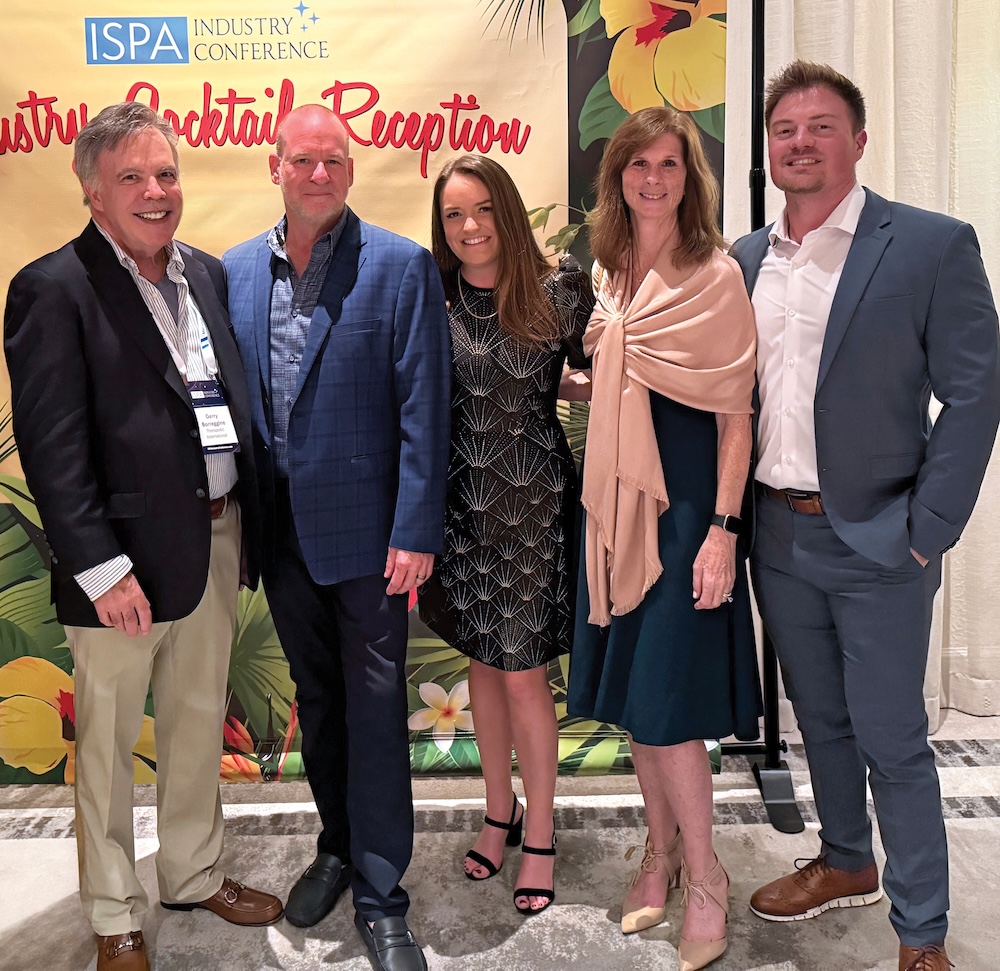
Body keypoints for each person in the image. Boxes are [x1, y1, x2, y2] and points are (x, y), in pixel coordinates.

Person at [730, 61, 1000, 971]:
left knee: (893, 737)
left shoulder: (927, 245)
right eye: (784, 130)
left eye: (820, 126)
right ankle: (847, 858)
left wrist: (930, 527)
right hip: (778, 534)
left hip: (883, 538)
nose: (799, 143)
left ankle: (922, 932)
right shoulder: (746, 259)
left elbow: (975, 393)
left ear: (858, 140)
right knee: (820, 718)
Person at [3, 102, 283, 971]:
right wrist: (101, 567)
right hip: (119, 566)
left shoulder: (205, 274)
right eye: (131, 177)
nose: (155, 191)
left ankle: (193, 872)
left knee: (198, 723)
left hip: (214, 541)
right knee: (107, 744)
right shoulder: (53, 288)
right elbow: (53, 448)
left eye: (165, 173)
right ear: (92, 190)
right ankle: (115, 913)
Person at [222, 104, 451, 971]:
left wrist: (416, 529)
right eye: (303, 160)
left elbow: (425, 410)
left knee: (375, 710)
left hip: (373, 543)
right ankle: (337, 845)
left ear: (351, 171)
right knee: (317, 703)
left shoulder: (399, 265)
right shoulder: (235, 271)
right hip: (280, 539)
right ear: (274, 166)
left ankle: (384, 893)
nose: (319, 174)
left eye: (334, 161)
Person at [567, 107, 760, 971]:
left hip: (685, 515)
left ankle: (707, 874)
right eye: (638, 164)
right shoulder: (608, 271)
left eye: (669, 164)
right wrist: (575, 382)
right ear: (618, 176)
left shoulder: (715, 275)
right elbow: (620, 375)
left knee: (671, 707)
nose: (653, 178)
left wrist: (722, 532)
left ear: (690, 178)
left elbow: (734, 419)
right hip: (617, 509)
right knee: (641, 706)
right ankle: (661, 851)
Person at [418, 154, 594, 916]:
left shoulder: (559, 290)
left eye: (484, 208)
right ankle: (500, 811)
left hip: (533, 510)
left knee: (522, 673)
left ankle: (542, 833)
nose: (470, 226)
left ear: (509, 211)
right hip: (461, 512)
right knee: (482, 669)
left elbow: (597, 372)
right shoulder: (433, 296)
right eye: (454, 214)